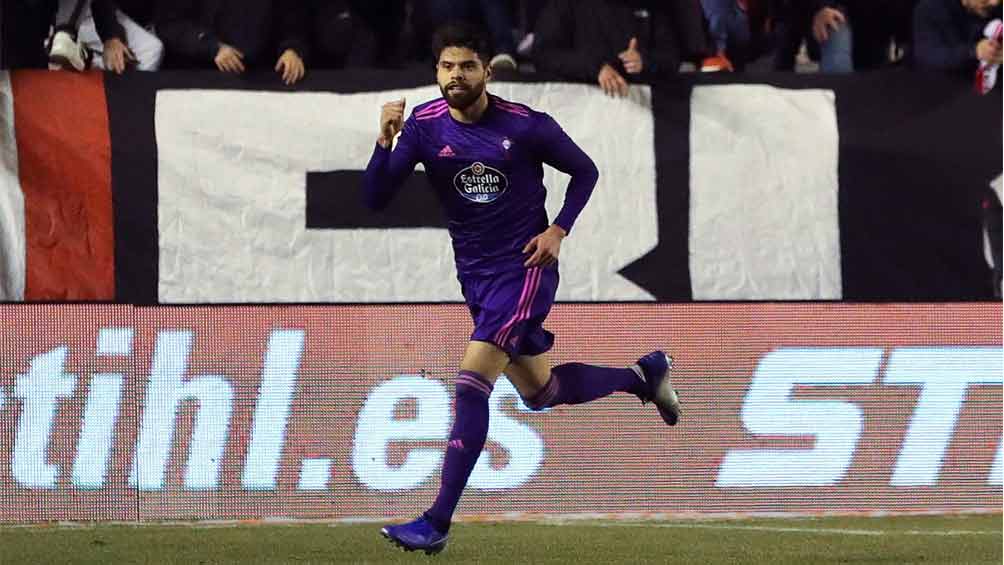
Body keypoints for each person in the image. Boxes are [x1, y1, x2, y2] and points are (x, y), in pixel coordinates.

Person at [363, 23, 682, 555]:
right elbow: (374, 199)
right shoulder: (422, 125)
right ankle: (641, 377)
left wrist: (559, 229)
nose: (455, 76)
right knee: (541, 392)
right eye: (446, 66)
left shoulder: (526, 125)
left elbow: (585, 171)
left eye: (467, 66)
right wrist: (383, 142)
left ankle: (436, 522)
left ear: (487, 71)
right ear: (436, 71)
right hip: (478, 277)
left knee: (471, 382)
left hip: (526, 269)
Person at [533, 0, 681, 96]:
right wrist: (596, 68)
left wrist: (644, 61)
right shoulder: (565, 4)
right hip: (580, 117)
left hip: (640, 119)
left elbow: (672, 58)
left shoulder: (652, 5)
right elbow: (544, 55)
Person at [156, 0, 309, 85]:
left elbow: (293, 19)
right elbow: (169, 24)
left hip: (265, 76)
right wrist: (211, 47)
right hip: (201, 74)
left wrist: (292, 49)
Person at [47, 0, 163, 73]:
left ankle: (89, 60)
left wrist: (113, 37)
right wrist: (111, 36)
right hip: (59, 17)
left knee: (151, 49)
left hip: (98, 12)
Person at [914, 0, 1002, 73]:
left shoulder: (996, 8)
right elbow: (927, 56)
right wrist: (975, 51)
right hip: (943, 83)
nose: (995, 2)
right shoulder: (930, 8)